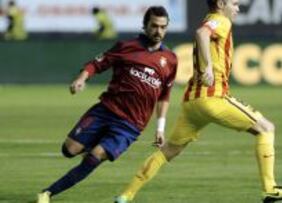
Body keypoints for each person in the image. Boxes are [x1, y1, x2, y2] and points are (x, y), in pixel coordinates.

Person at [114, 0, 282, 203]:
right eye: (235, 4)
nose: (237, 8)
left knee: (168, 151)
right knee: (266, 128)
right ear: (221, 4)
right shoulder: (221, 21)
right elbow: (201, 34)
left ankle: (126, 195)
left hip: (191, 103)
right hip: (212, 97)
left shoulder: (211, 19)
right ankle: (270, 188)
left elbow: (204, 33)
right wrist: (209, 68)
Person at [37, 6, 177, 203]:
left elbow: (164, 96)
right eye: (154, 26)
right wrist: (81, 79)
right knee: (69, 150)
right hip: (106, 110)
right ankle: (94, 143)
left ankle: (48, 193)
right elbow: (96, 63)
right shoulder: (126, 47)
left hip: (131, 125)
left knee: (94, 157)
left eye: (163, 27)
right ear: (145, 26)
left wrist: (160, 128)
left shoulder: (170, 60)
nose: (158, 31)